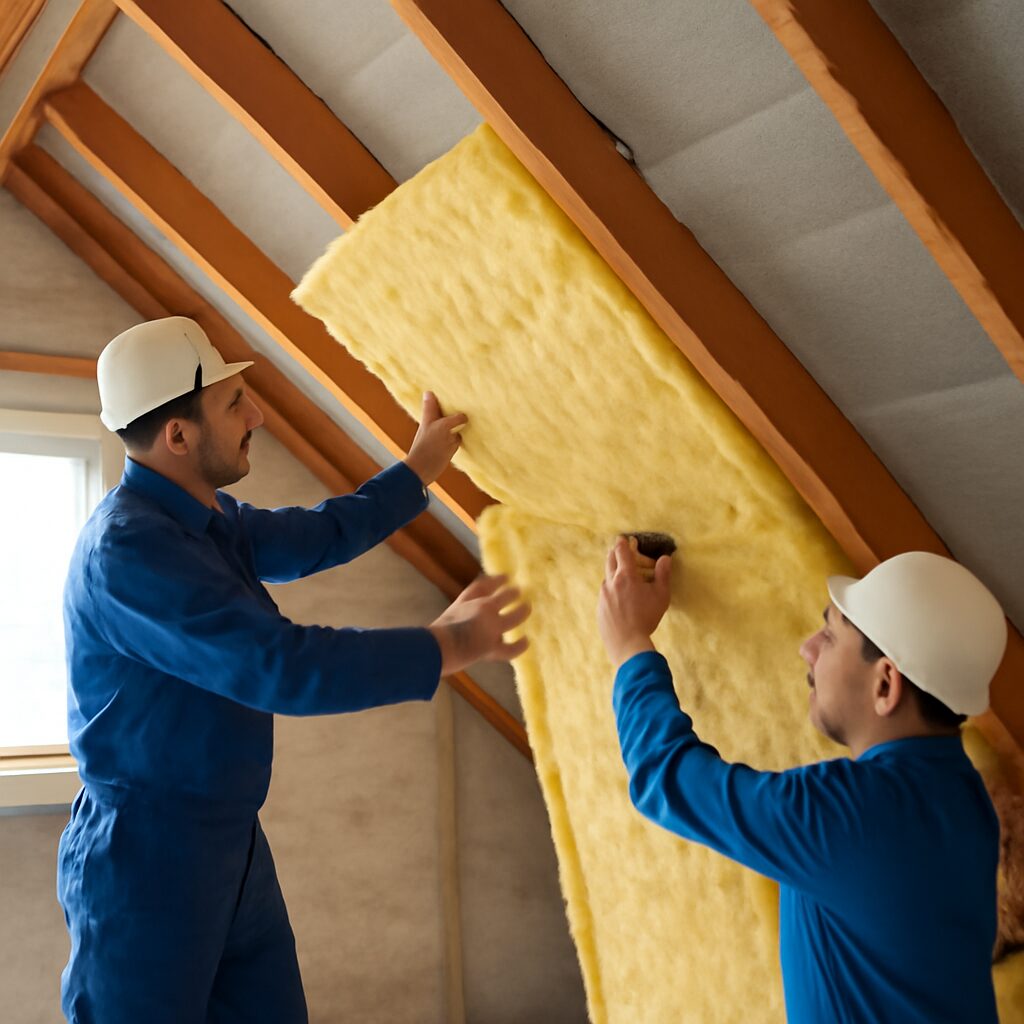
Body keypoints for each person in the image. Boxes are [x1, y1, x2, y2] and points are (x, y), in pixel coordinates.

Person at [59, 316, 530, 1023]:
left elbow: (317, 535)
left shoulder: (208, 519)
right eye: (233, 404)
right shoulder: (128, 553)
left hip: (231, 847)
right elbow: (280, 666)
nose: (257, 415)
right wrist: (449, 646)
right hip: (145, 864)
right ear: (178, 436)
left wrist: (418, 471)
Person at [597, 536, 1008, 1023]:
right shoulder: (968, 803)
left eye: (830, 636)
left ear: (885, 684)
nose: (807, 649)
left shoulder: (845, 813)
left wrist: (630, 645)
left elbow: (665, 776)